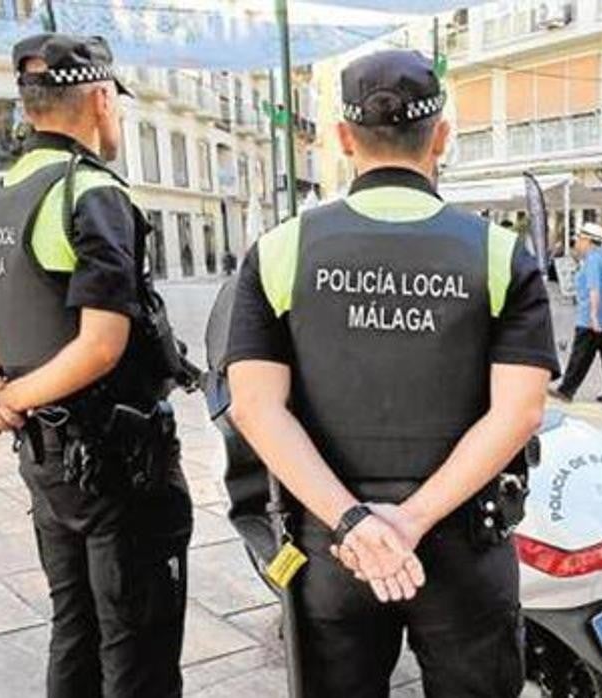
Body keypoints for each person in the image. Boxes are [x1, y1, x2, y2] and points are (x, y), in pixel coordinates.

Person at [224, 50, 558, 696]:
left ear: (345, 139)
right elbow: (520, 412)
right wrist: (409, 521)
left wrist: (354, 523)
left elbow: (255, 407)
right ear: (442, 136)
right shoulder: (498, 253)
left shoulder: (279, 250)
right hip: (467, 547)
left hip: (333, 551)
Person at [0, 34, 195, 696]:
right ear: (102, 99)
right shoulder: (89, 192)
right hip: (119, 465)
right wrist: (0, 404)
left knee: (75, 629)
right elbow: (103, 343)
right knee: (137, 641)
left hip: (48, 464)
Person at [550, 222, 602, 404]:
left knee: (580, 355)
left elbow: (594, 289)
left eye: (579, 239)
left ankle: (566, 390)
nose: (577, 243)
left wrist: (594, 317)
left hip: (590, 317)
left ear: (588, 240)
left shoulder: (593, 260)